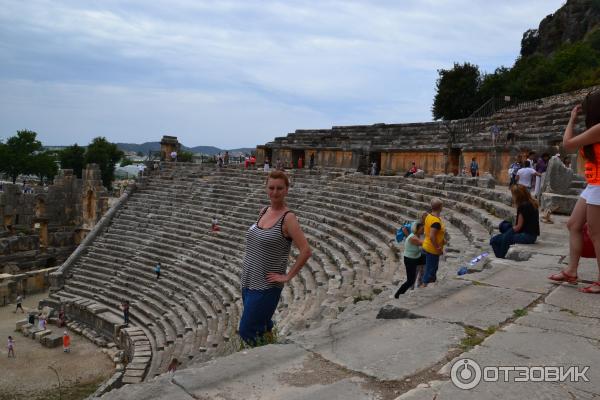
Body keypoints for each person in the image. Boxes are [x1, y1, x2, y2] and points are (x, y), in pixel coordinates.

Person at [238, 170, 312, 345]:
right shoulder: (264, 211)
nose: (275, 192)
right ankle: (271, 349)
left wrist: (287, 276)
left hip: (266, 285)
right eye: (271, 188)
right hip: (248, 281)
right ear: (266, 188)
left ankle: (260, 363)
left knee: (247, 330)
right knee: (263, 325)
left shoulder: (288, 218)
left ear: (286, 190)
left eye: (280, 188)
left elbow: (306, 250)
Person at [549, 91, 600, 293]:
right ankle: (571, 271)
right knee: (573, 224)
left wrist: (571, 121)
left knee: (597, 234)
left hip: (599, 185)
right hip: (593, 184)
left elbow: (568, 145)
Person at [490, 184, 540, 258]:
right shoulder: (532, 203)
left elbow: (518, 227)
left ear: (518, 196)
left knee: (495, 240)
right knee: (504, 227)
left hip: (527, 236)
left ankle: (501, 255)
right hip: (533, 235)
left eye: (513, 195)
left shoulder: (522, 206)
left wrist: (506, 235)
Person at [394, 222, 426, 297]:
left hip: (416, 257)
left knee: (428, 259)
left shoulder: (416, 235)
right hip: (410, 260)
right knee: (410, 280)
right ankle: (398, 294)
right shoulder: (413, 238)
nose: (423, 230)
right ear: (417, 230)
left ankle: (425, 279)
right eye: (422, 229)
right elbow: (424, 243)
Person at [422, 199, 445, 287]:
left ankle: (425, 286)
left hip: (426, 246)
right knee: (430, 272)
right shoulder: (436, 221)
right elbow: (432, 236)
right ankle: (425, 290)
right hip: (432, 249)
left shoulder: (429, 216)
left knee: (429, 269)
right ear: (440, 207)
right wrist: (438, 248)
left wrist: (442, 240)